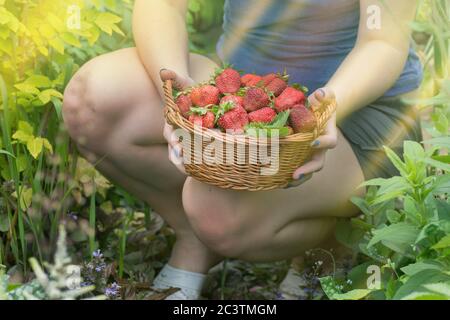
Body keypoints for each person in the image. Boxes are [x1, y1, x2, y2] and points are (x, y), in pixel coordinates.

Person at [62, 0, 422, 300]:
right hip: (245, 96)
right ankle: (194, 238)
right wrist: (176, 99)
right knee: (94, 99)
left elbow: (382, 42)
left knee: (217, 210)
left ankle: (331, 243)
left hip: (361, 112)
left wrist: (326, 109)